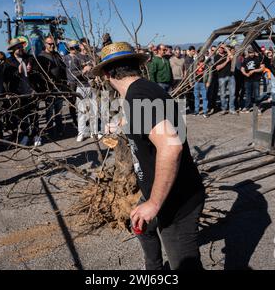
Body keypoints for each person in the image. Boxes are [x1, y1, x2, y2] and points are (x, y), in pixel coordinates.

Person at [92, 42, 205, 270]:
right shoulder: (143, 91)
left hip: (175, 201)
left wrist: (154, 203)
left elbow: (171, 146)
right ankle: (153, 268)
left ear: (106, 74)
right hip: (159, 191)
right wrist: (119, 126)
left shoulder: (139, 96)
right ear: (136, 66)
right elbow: (147, 121)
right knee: (141, 225)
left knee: (184, 266)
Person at [3, 38, 41, 147]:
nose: (20, 49)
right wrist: (17, 72)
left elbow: (38, 74)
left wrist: (32, 70)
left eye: (21, 47)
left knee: (34, 114)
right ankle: (25, 135)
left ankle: (36, 135)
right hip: (18, 94)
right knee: (22, 116)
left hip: (31, 91)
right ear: (13, 49)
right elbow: (6, 78)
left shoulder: (29, 58)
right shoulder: (8, 62)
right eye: (17, 47)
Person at [37, 35, 67, 138]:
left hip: (59, 87)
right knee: (49, 112)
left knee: (59, 111)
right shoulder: (41, 57)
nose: (52, 45)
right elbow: (40, 74)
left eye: (53, 43)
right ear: (45, 44)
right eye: (50, 44)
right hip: (49, 89)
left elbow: (63, 69)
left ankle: (59, 130)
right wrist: (45, 87)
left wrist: (64, 84)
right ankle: (50, 132)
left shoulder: (57, 55)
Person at [214, 45, 236, 115]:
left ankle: (231, 109)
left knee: (232, 94)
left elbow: (232, 57)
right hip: (222, 77)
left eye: (222, 48)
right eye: (220, 48)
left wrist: (226, 47)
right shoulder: (216, 57)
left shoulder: (227, 54)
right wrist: (226, 61)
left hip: (230, 76)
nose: (221, 49)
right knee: (223, 94)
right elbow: (218, 68)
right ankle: (223, 109)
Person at [241, 47, 264, 113]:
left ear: (254, 52)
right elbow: (242, 68)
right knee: (248, 94)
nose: (251, 54)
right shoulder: (245, 59)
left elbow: (262, 68)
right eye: (250, 53)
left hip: (256, 79)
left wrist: (254, 71)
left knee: (257, 94)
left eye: (252, 52)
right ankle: (247, 107)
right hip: (247, 79)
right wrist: (245, 74)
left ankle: (259, 107)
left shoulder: (258, 58)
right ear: (248, 53)